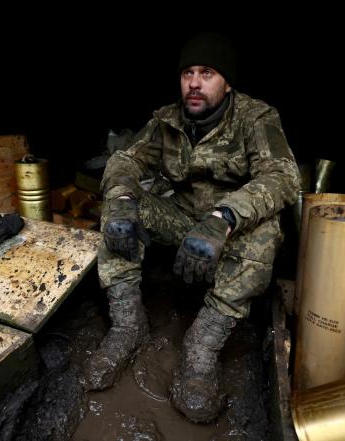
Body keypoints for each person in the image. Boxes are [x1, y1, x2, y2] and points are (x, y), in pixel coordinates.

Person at [82, 32, 300, 423]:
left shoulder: (256, 117)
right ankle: (129, 325)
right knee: (120, 210)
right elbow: (127, 161)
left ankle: (201, 348)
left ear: (227, 82)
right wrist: (121, 198)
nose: (194, 83)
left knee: (268, 234)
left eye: (207, 73)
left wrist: (224, 218)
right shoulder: (165, 120)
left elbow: (282, 178)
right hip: (181, 219)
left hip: (231, 229)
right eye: (188, 73)